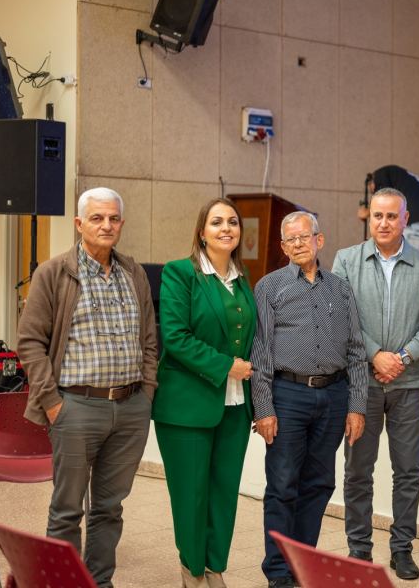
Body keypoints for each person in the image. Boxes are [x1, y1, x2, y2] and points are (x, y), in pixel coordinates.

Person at [17, 187, 157, 588]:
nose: (106, 225)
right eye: (96, 218)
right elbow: (29, 342)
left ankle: (99, 581)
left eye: (113, 218)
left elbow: (150, 338)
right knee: (67, 510)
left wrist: (147, 392)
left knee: (109, 508)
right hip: (76, 407)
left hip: (130, 408)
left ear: (121, 223)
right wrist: (52, 402)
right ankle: (63, 583)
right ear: (79, 224)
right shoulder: (53, 273)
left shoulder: (133, 273)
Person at [251, 211, 368, 588]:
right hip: (288, 395)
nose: (299, 244)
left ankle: (302, 566)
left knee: (319, 484)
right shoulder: (269, 287)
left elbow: (356, 350)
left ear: (320, 240)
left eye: (305, 236)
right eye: (291, 239)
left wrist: (356, 405)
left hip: (333, 396)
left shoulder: (341, 289)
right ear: (283, 246)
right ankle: (278, 572)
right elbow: (261, 352)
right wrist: (264, 408)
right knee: (282, 485)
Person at [152, 198, 257, 588]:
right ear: (202, 232)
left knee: (224, 493)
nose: (226, 228)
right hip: (187, 406)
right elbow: (175, 336)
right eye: (216, 222)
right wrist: (227, 365)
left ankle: (215, 568)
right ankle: (192, 570)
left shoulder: (242, 279)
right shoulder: (181, 273)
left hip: (234, 406)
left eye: (232, 222)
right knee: (191, 495)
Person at [332, 187, 419, 580]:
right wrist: (375, 355)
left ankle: (402, 549)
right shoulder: (347, 260)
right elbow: (340, 318)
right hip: (362, 384)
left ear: (405, 219)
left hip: (409, 384)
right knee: (358, 469)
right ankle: (359, 548)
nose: (385, 223)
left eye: (393, 216)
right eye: (378, 215)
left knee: (408, 471)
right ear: (368, 217)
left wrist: (403, 357)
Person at [358, 165, 419, 256]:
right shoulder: (407, 179)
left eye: (372, 191)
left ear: (372, 181)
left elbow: (384, 201)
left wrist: (367, 212)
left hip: (417, 227)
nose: (373, 192)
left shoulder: (381, 174)